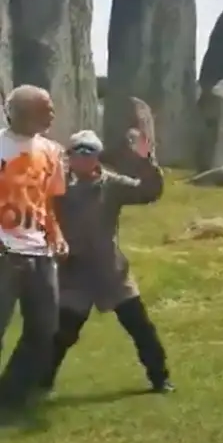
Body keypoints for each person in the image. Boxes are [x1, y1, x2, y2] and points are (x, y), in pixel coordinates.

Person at [40, 128, 173, 394]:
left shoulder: (112, 185)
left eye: (89, 152)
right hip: (74, 273)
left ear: (97, 156)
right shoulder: (58, 187)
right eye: (77, 152)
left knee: (140, 327)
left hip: (111, 272)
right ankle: (41, 383)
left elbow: (148, 192)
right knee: (62, 333)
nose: (83, 158)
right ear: (69, 156)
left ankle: (160, 378)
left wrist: (146, 161)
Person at [0, 85, 68, 410]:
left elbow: (48, 201)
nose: (52, 114)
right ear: (18, 112)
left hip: (40, 253)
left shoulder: (53, 151)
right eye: (45, 108)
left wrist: (57, 235)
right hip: (4, 254)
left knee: (44, 330)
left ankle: (10, 396)